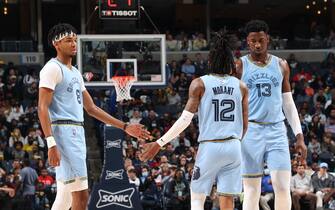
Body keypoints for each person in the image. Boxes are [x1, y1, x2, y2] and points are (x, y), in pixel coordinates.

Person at [38, 23, 151, 210]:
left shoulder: (74, 72)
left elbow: (91, 108)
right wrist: (51, 143)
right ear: (56, 44)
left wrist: (124, 126)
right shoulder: (52, 68)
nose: (74, 43)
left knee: (65, 197)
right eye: (68, 40)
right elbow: (42, 106)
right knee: (81, 196)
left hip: (77, 131)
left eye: (75, 40)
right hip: (64, 132)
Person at [140, 32, 249, 210]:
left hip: (210, 146)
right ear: (231, 65)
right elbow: (245, 126)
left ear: (210, 63)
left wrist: (159, 143)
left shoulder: (200, 83)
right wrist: (233, 141)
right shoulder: (242, 86)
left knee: (197, 197)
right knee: (227, 199)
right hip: (234, 146)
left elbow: (185, 120)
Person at [235, 20, 307, 210]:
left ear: (268, 39)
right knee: (251, 190)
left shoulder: (281, 65)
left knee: (283, 188)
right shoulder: (239, 66)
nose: (257, 45)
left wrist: (299, 135)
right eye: (252, 41)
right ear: (247, 42)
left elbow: (288, 102)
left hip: (276, 130)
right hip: (250, 130)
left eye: (261, 40)